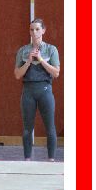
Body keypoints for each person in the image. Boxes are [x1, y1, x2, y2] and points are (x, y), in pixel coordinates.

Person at [14, 17, 60, 161]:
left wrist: (40, 59)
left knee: (50, 127)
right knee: (27, 128)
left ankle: (51, 159)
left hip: (45, 90)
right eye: (32, 29)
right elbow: (17, 75)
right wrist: (28, 61)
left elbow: (56, 73)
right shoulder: (23, 51)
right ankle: (27, 159)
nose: (34, 32)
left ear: (43, 31)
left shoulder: (51, 49)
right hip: (28, 91)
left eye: (37, 29)